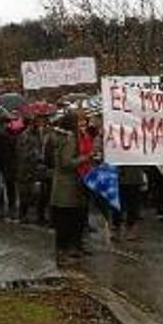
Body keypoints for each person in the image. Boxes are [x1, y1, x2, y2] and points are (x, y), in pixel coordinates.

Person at [49, 110, 90, 265]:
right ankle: (63, 253)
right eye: (79, 121)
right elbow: (67, 162)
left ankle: (65, 251)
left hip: (61, 186)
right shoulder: (70, 138)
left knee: (64, 221)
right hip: (69, 187)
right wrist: (85, 158)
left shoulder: (58, 136)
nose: (82, 124)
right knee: (67, 221)